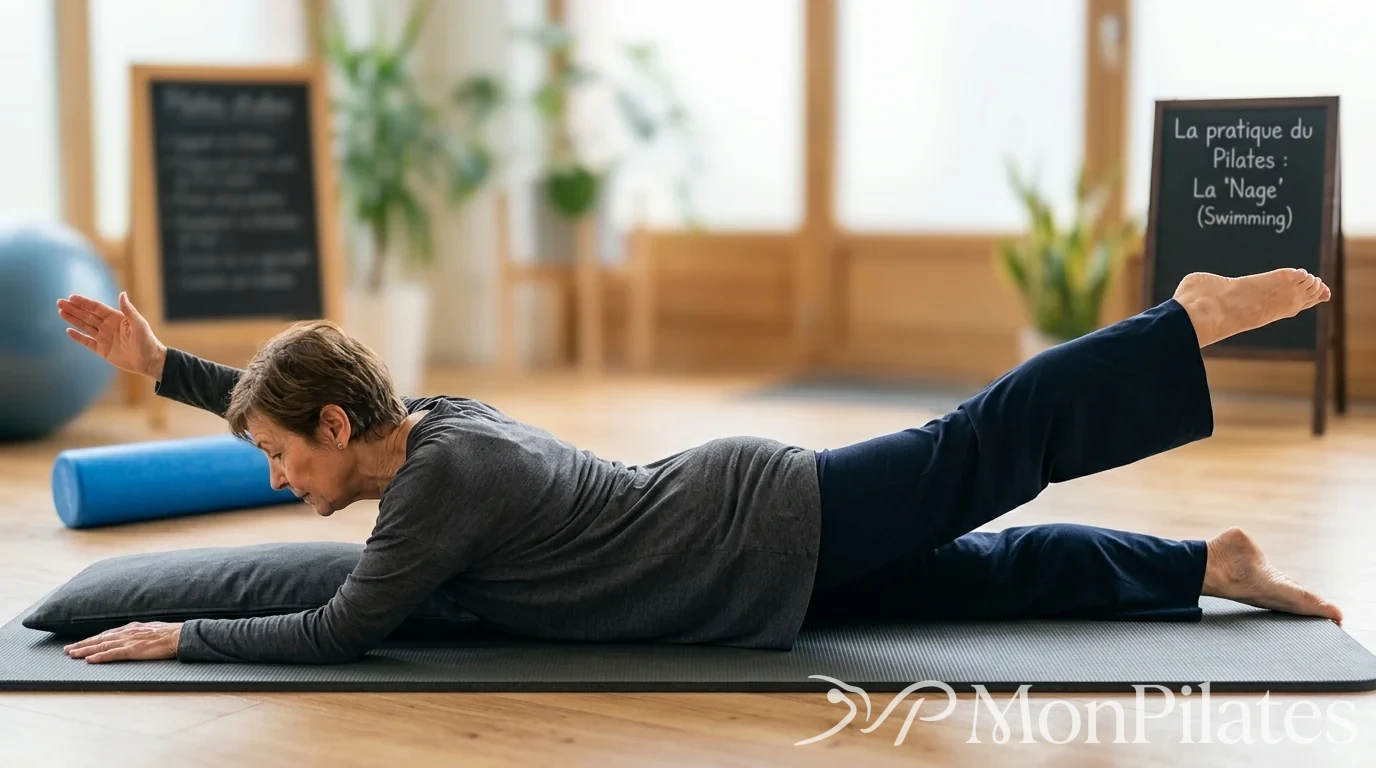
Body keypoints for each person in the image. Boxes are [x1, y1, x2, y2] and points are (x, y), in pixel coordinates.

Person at [53, 268, 1342, 665]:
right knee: (982, 572)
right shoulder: (416, 423)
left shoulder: (435, 489)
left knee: (985, 448)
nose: (274, 477)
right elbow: (279, 408)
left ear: (339, 429)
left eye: (280, 457)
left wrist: (186, 635)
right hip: (743, 578)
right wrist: (168, 366)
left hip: (756, 525)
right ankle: (1203, 564)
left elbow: (342, 628)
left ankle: (1182, 322)